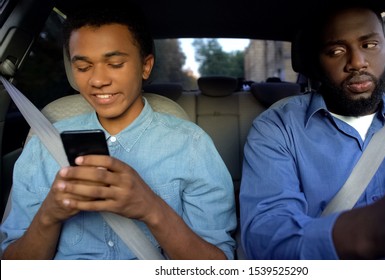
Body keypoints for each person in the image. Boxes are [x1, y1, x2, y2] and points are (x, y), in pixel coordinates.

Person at [1, 1, 236, 260]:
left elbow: (218, 268)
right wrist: (49, 215)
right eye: (83, 67)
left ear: (145, 66)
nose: (98, 80)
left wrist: (151, 209)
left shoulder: (192, 145)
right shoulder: (43, 146)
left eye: (114, 64)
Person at [239, 2, 385, 259]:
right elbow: (265, 240)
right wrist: (371, 228)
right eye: (336, 50)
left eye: (369, 45)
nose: (357, 62)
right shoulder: (278, 129)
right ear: (316, 61)